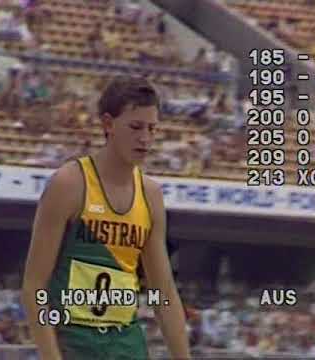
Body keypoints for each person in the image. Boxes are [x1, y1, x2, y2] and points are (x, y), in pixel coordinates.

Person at [22, 76, 192, 360]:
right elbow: (34, 288)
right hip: (74, 343)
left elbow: (162, 293)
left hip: (127, 345)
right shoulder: (70, 184)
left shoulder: (150, 195)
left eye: (152, 129)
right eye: (136, 127)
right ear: (108, 124)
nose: (145, 139)